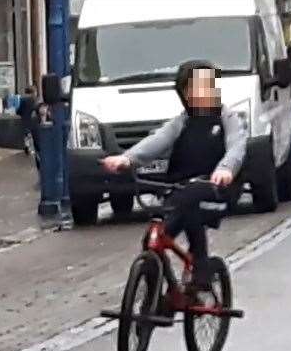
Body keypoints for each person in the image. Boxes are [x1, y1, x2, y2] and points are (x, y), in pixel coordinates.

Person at [101, 60, 246, 289]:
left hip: (216, 191)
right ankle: (157, 293)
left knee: (192, 207)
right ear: (185, 93)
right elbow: (157, 141)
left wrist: (225, 169)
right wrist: (127, 159)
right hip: (180, 191)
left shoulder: (227, 118)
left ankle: (201, 267)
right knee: (153, 239)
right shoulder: (182, 122)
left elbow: (237, 146)